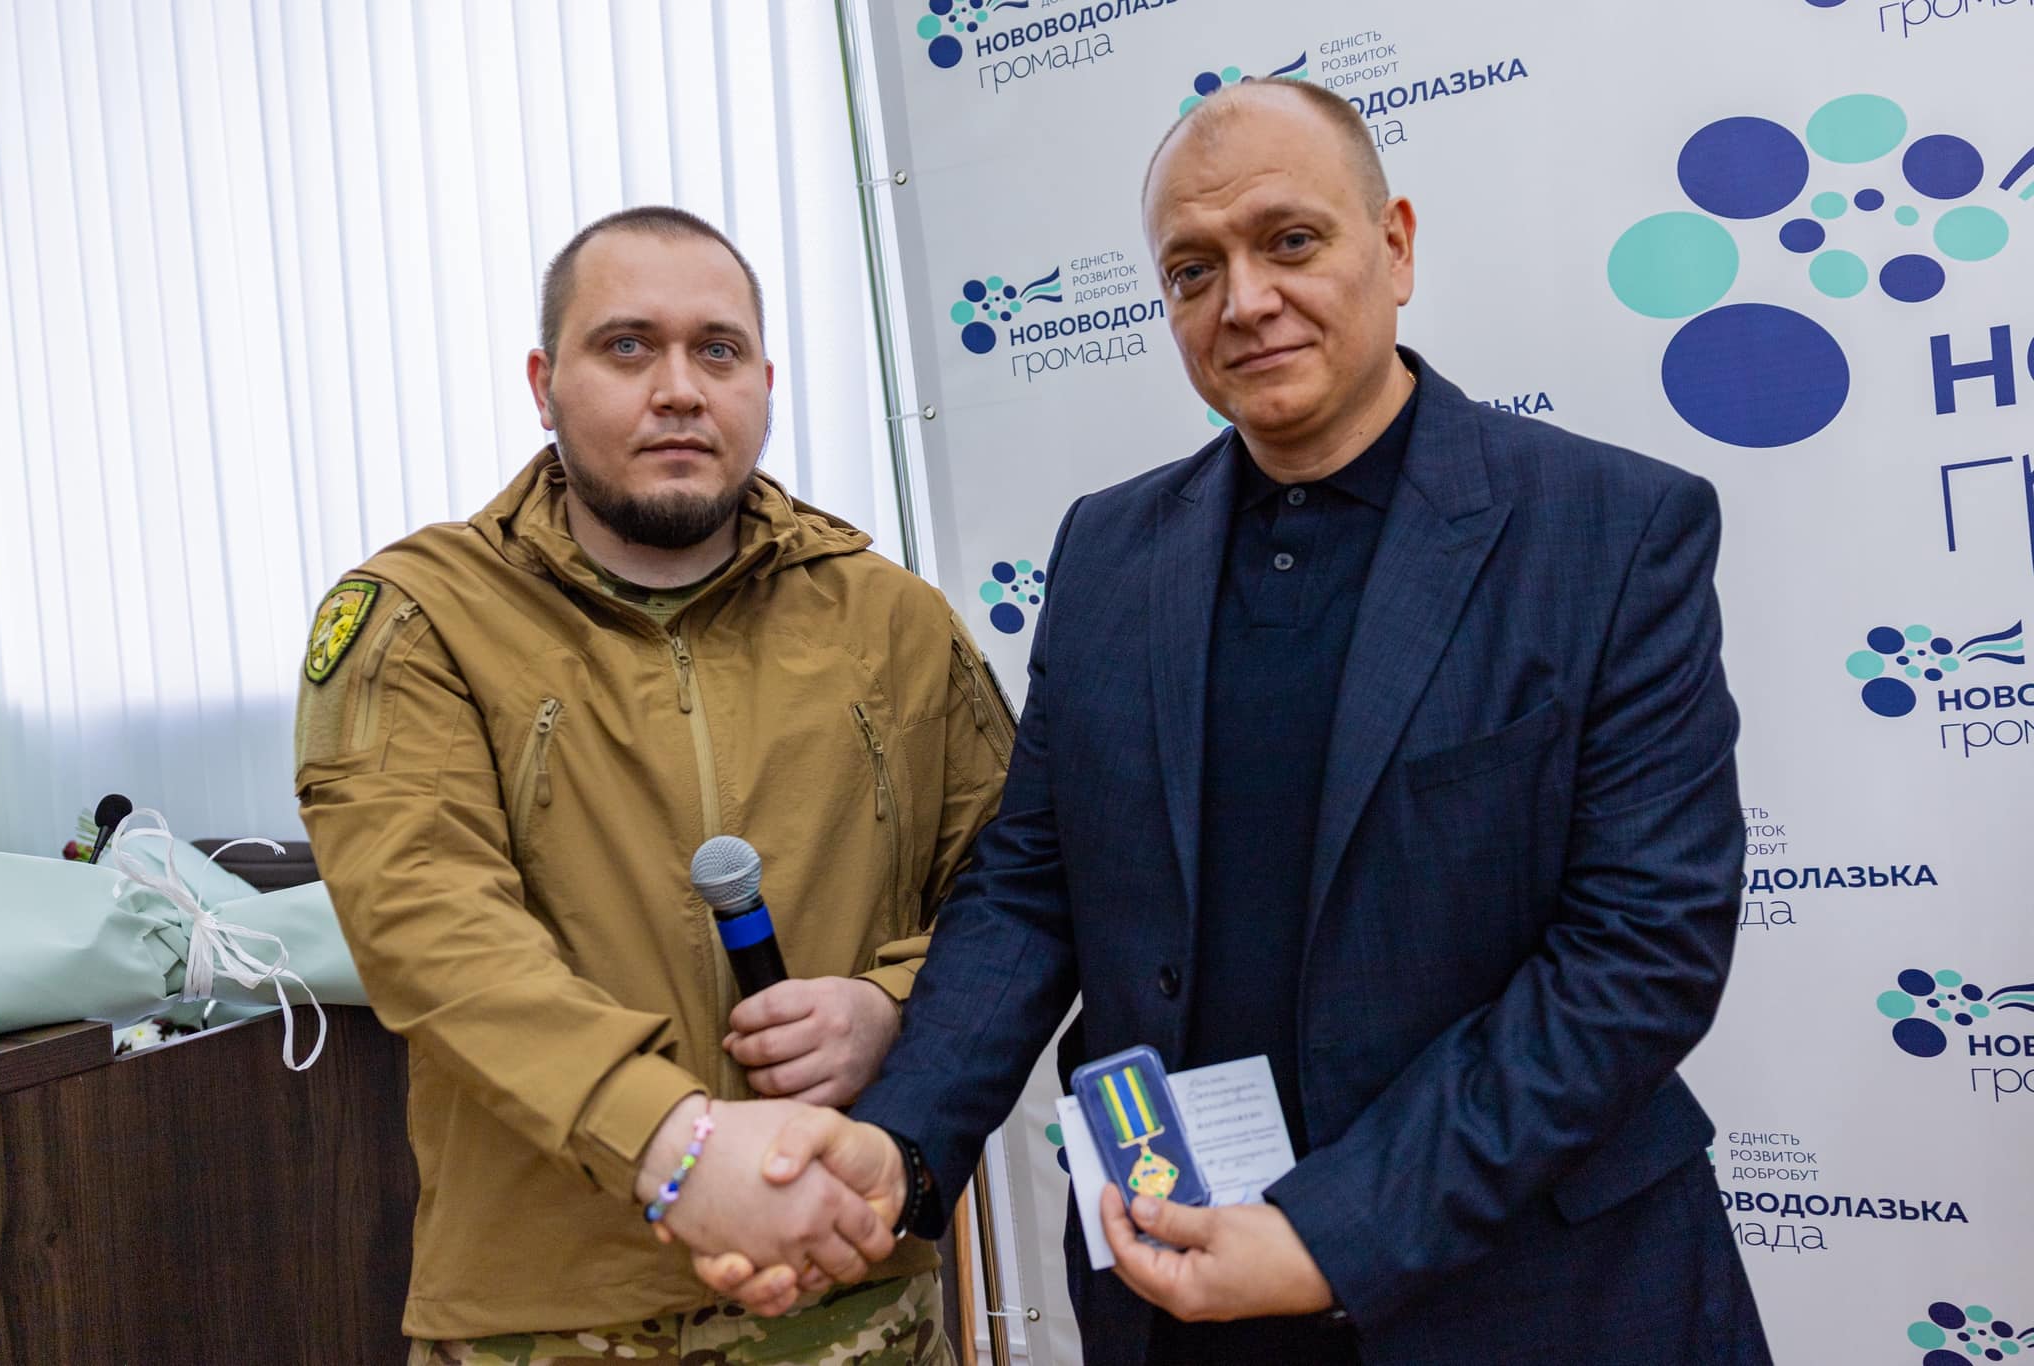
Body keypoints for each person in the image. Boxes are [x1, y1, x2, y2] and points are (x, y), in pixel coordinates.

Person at [685, 80, 1774, 1364]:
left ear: (1396, 246)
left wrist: (1331, 1231)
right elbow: (1031, 885)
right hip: (1176, 1276)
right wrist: (900, 1141)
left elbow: (1637, 954)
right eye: (1191, 270)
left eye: (1289, 241)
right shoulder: (1109, 549)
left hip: (1528, 1293)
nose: (1243, 301)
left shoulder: (1608, 529)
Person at [293, 205, 1013, 1364]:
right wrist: (671, 1144)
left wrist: (891, 1003)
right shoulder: (421, 616)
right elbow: (428, 924)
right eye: (626, 346)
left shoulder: (890, 617)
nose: (678, 389)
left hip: (846, 1282)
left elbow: (1012, 886)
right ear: (545, 384)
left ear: (764, 385)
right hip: (549, 1313)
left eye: (716, 351)